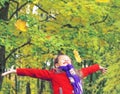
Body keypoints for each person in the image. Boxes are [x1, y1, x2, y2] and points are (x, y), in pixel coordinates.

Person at [2, 54, 107, 94]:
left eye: (68, 60)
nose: (66, 61)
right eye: (63, 60)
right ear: (57, 65)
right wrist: (16, 71)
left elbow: (88, 69)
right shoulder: (53, 74)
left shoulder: (77, 74)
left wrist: (99, 67)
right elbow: (34, 72)